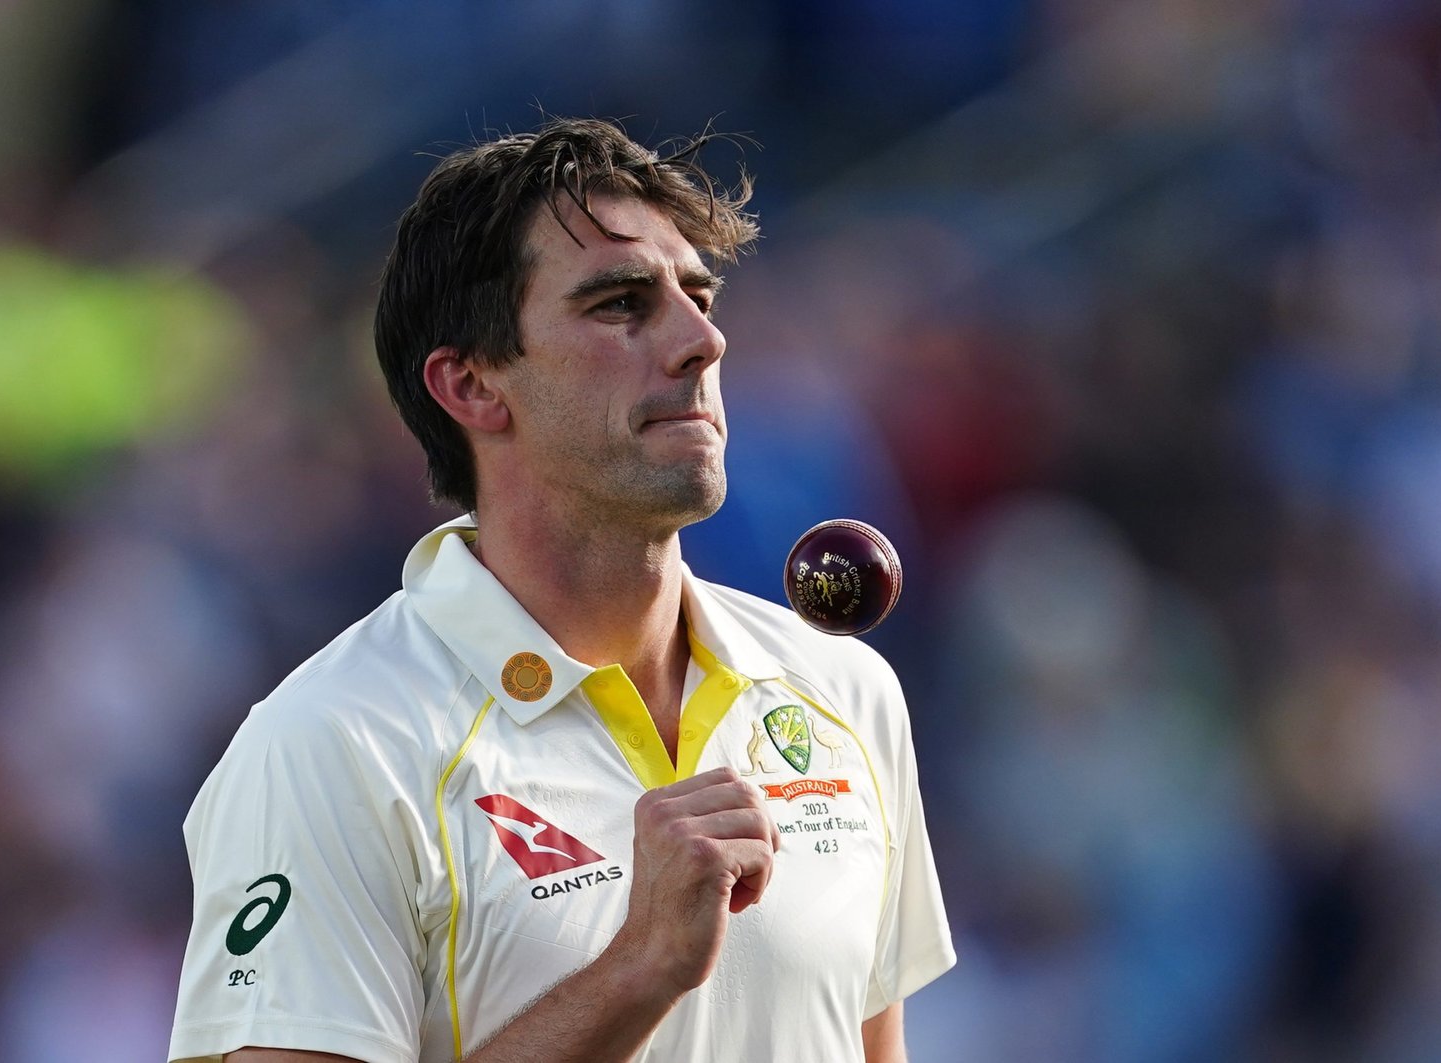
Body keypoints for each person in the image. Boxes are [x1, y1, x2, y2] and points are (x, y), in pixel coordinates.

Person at [168, 117, 954, 1063]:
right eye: (621, 304)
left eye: (699, 295)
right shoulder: (331, 743)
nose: (703, 340)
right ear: (471, 386)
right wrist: (639, 966)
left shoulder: (844, 690)